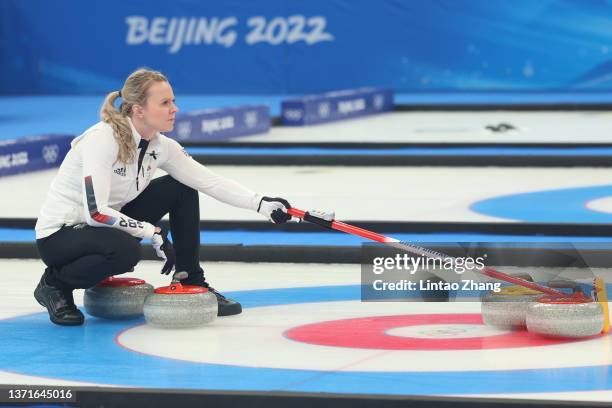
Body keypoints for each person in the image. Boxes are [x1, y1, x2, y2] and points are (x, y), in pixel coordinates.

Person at [34, 68, 294, 326]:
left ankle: (189, 277)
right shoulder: (102, 140)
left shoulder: (161, 146)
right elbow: (96, 213)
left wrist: (262, 204)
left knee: (181, 187)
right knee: (125, 251)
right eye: (165, 103)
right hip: (62, 235)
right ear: (139, 110)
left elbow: (210, 182)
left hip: (105, 226)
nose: (175, 108)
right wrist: (150, 231)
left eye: (174, 101)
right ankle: (54, 284)